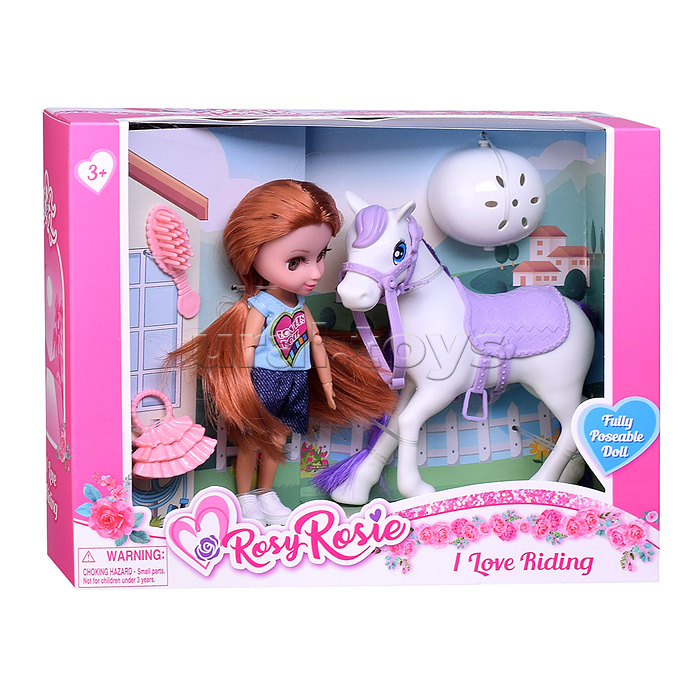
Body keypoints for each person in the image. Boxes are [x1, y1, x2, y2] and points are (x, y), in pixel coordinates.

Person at [168, 180, 395, 525]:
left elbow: (315, 342)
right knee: (251, 442)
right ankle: (246, 497)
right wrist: (242, 384)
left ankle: (266, 493)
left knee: (277, 440)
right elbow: (247, 344)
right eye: (296, 261)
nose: (316, 272)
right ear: (252, 253)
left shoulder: (299, 304)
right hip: (264, 380)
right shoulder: (261, 305)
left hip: (295, 381)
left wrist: (328, 385)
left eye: (321, 256)